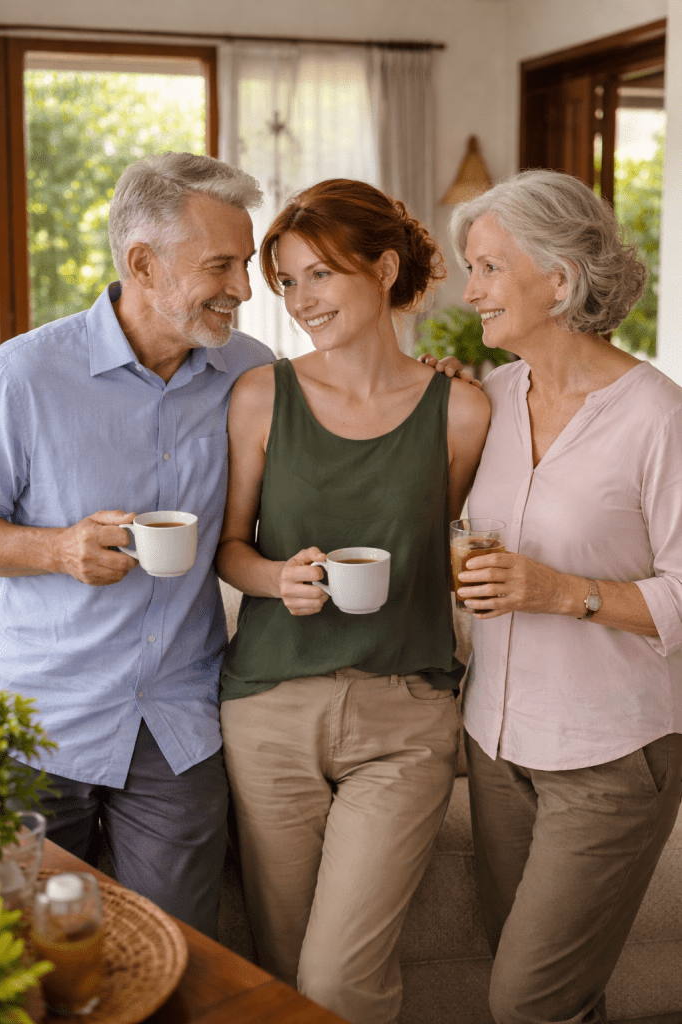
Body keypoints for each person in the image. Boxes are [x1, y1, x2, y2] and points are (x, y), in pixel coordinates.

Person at [216, 178, 490, 1024]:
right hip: (268, 712)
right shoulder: (262, 396)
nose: (300, 301)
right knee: (282, 976)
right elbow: (228, 549)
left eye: (319, 276)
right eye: (287, 283)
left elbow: (451, 546)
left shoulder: (462, 410)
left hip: (404, 717)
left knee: (339, 982)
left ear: (383, 267)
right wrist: (275, 578)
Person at [0, 152, 276, 938]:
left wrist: (434, 388)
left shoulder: (252, 374)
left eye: (247, 263)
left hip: (177, 724)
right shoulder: (23, 377)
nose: (245, 289)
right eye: (221, 264)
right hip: (44, 719)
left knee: (180, 953)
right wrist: (57, 550)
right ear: (143, 263)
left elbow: (346, 438)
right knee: (31, 960)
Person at [436, 168, 682, 1024]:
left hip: (610, 758)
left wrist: (561, 592)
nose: (469, 292)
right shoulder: (489, 401)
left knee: (527, 1000)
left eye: (488, 268)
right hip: (496, 746)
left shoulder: (657, 415)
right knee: (555, 993)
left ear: (558, 278)